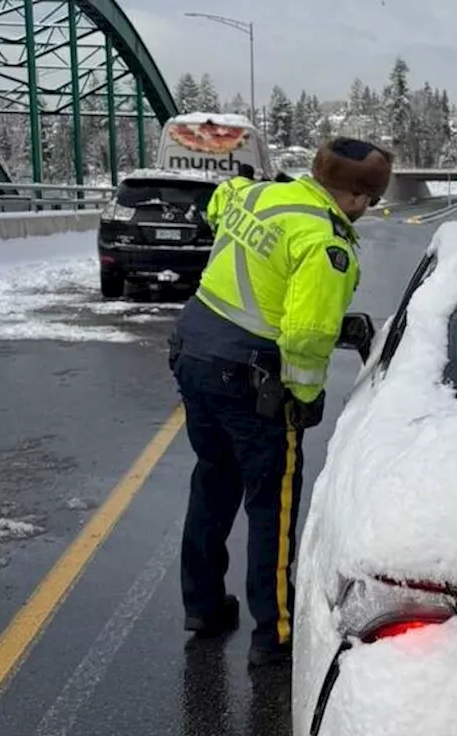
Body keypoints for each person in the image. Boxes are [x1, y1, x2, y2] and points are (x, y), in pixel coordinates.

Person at [168, 137, 393, 666]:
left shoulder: (259, 196)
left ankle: (202, 605)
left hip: (194, 350)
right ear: (357, 198)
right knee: (273, 501)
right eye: (371, 202)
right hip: (248, 377)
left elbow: (221, 200)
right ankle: (275, 633)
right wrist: (303, 396)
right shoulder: (326, 242)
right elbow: (306, 334)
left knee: (213, 476)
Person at [204, 163, 256, 232]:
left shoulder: (224, 186)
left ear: (238, 173)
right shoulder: (256, 189)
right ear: (252, 175)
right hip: (243, 229)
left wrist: (212, 223)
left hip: (222, 224)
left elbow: (212, 208)